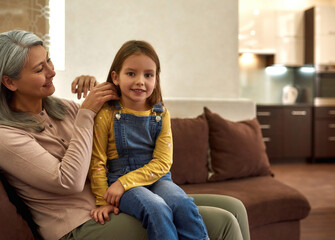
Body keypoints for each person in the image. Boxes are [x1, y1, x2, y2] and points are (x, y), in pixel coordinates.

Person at [0, 30, 250, 240]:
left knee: (233, 207)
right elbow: (68, 181)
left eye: (49, 61)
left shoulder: (64, 109)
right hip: (78, 224)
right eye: (39, 69)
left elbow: (118, 116)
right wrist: (86, 113)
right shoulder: (2, 136)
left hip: (116, 200)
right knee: (222, 223)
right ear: (9, 82)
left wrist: (101, 86)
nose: (52, 71)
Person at [88, 40, 250, 240]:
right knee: (157, 208)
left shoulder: (161, 114)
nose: (140, 81)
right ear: (116, 77)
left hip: (155, 179)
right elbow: (97, 161)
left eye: (148, 75)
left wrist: (124, 182)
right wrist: (102, 200)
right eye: (131, 73)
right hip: (120, 181)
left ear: (156, 78)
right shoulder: (106, 113)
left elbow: (163, 162)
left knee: (182, 203)